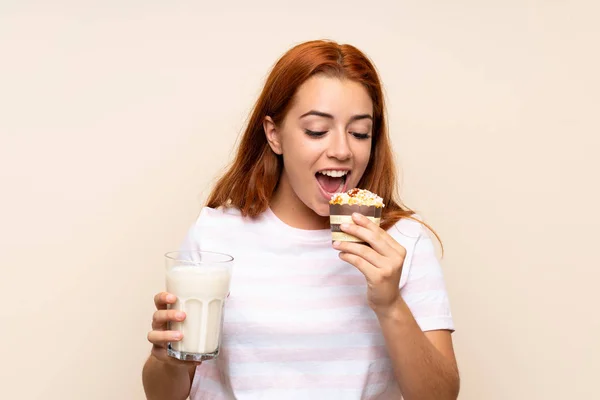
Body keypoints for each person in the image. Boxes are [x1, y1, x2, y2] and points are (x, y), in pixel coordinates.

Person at [142, 39, 460, 400]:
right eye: (316, 130)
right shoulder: (215, 233)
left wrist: (389, 304)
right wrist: (169, 361)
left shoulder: (402, 240)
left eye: (359, 133)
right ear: (274, 134)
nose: (342, 150)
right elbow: (163, 395)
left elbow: (441, 396)